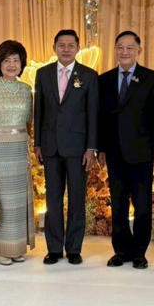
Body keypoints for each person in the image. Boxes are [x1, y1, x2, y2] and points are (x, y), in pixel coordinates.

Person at [98, 31, 154, 269]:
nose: (124, 51)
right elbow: (101, 118)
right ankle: (121, 250)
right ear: (115, 50)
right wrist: (101, 148)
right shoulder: (104, 79)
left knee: (142, 204)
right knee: (118, 204)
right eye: (120, 47)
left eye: (129, 47)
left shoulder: (152, 78)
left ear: (139, 50)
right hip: (114, 152)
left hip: (142, 152)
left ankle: (139, 252)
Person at [33, 29, 98, 265]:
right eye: (62, 45)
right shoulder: (43, 74)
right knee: (52, 200)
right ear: (54, 48)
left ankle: (73, 249)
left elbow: (93, 113)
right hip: (50, 147)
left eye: (71, 45)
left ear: (78, 48)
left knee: (76, 199)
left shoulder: (89, 75)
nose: (66, 49)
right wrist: (37, 143)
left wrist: (91, 147)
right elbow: (38, 110)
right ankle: (53, 248)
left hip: (78, 148)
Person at [0, 40, 35, 265]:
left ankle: (16, 247)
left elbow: (28, 124)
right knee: (0, 201)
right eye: (7, 60)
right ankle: (0, 248)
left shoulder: (26, 90)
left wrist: (28, 150)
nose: (12, 65)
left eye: (16, 60)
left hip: (19, 152)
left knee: (18, 202)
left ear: (22, 64)